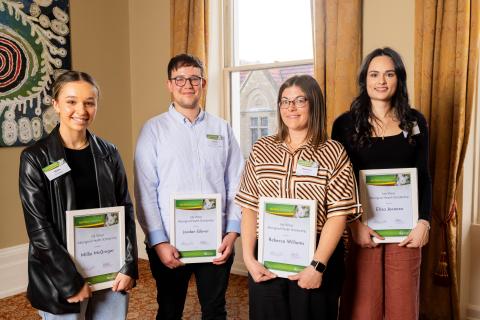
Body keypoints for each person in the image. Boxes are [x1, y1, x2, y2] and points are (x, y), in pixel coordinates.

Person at [235, 75, 362, 320]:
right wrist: (249, 260)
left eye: (299, 100)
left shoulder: (333, 152)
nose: (290, 108)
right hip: (267, 257)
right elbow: (249, 207)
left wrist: (317, 266)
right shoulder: (262, 149)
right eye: (284, 101)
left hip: (316, 256)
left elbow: (338, 215)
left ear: (314, 104)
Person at [18, 71, 138, 319]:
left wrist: (129, 265)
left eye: (89, 102)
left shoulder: (109, 153)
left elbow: (125, 209)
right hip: (60, 276)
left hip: (109, 271)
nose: (81, 110)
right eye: (71, 101)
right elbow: (39, 228)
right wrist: (69, 280)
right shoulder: (35, 158)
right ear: (56, 104)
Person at [134, 53, 244, 320]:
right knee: (170, 310)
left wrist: (232, 232)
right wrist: (159, 242)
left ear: (203, 83)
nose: (187, 84)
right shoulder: (154, 130)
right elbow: (145, 191)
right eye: (180, 79)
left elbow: (237, 184)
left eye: (194, 78)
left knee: (215, 310)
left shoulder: (222, 128)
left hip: (216, 242)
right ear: (169, 85)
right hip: (170, 243)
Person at [332, 47, 432, 320]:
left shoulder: (415, 121)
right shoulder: (344, 125)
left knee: (402, 308)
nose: (382, 81)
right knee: (364, 308)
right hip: (364, 228)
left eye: (389, 74)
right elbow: (340, 182)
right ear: (365, 80)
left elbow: (423, 175)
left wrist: (424, 222)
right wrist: (354, 224)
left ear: (399, 79)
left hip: (406, 231)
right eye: (374, 74)